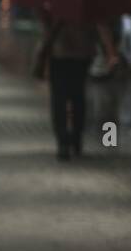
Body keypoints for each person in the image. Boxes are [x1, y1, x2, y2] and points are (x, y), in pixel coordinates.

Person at [37, 9, 115, 159]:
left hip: (59, 52)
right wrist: (110, 52)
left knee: (59, 98)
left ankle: (63, 143)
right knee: (77, 96)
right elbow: (100, 25)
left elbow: (44, 21)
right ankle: (76, 138)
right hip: (82, 53)